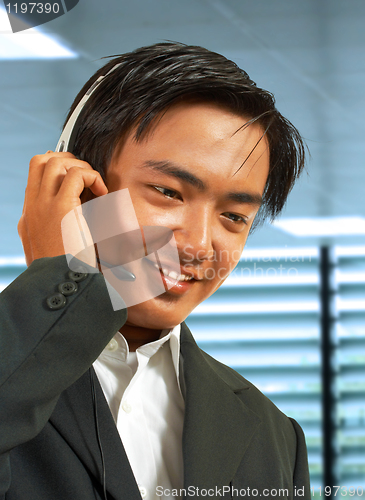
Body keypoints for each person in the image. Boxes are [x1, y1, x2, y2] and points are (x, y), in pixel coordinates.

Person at [0, 42, 310, 499]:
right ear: (79, 187)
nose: (198, 245)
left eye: (234, 216)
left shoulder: (274, 435)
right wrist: (60, 279)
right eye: (168, 192)